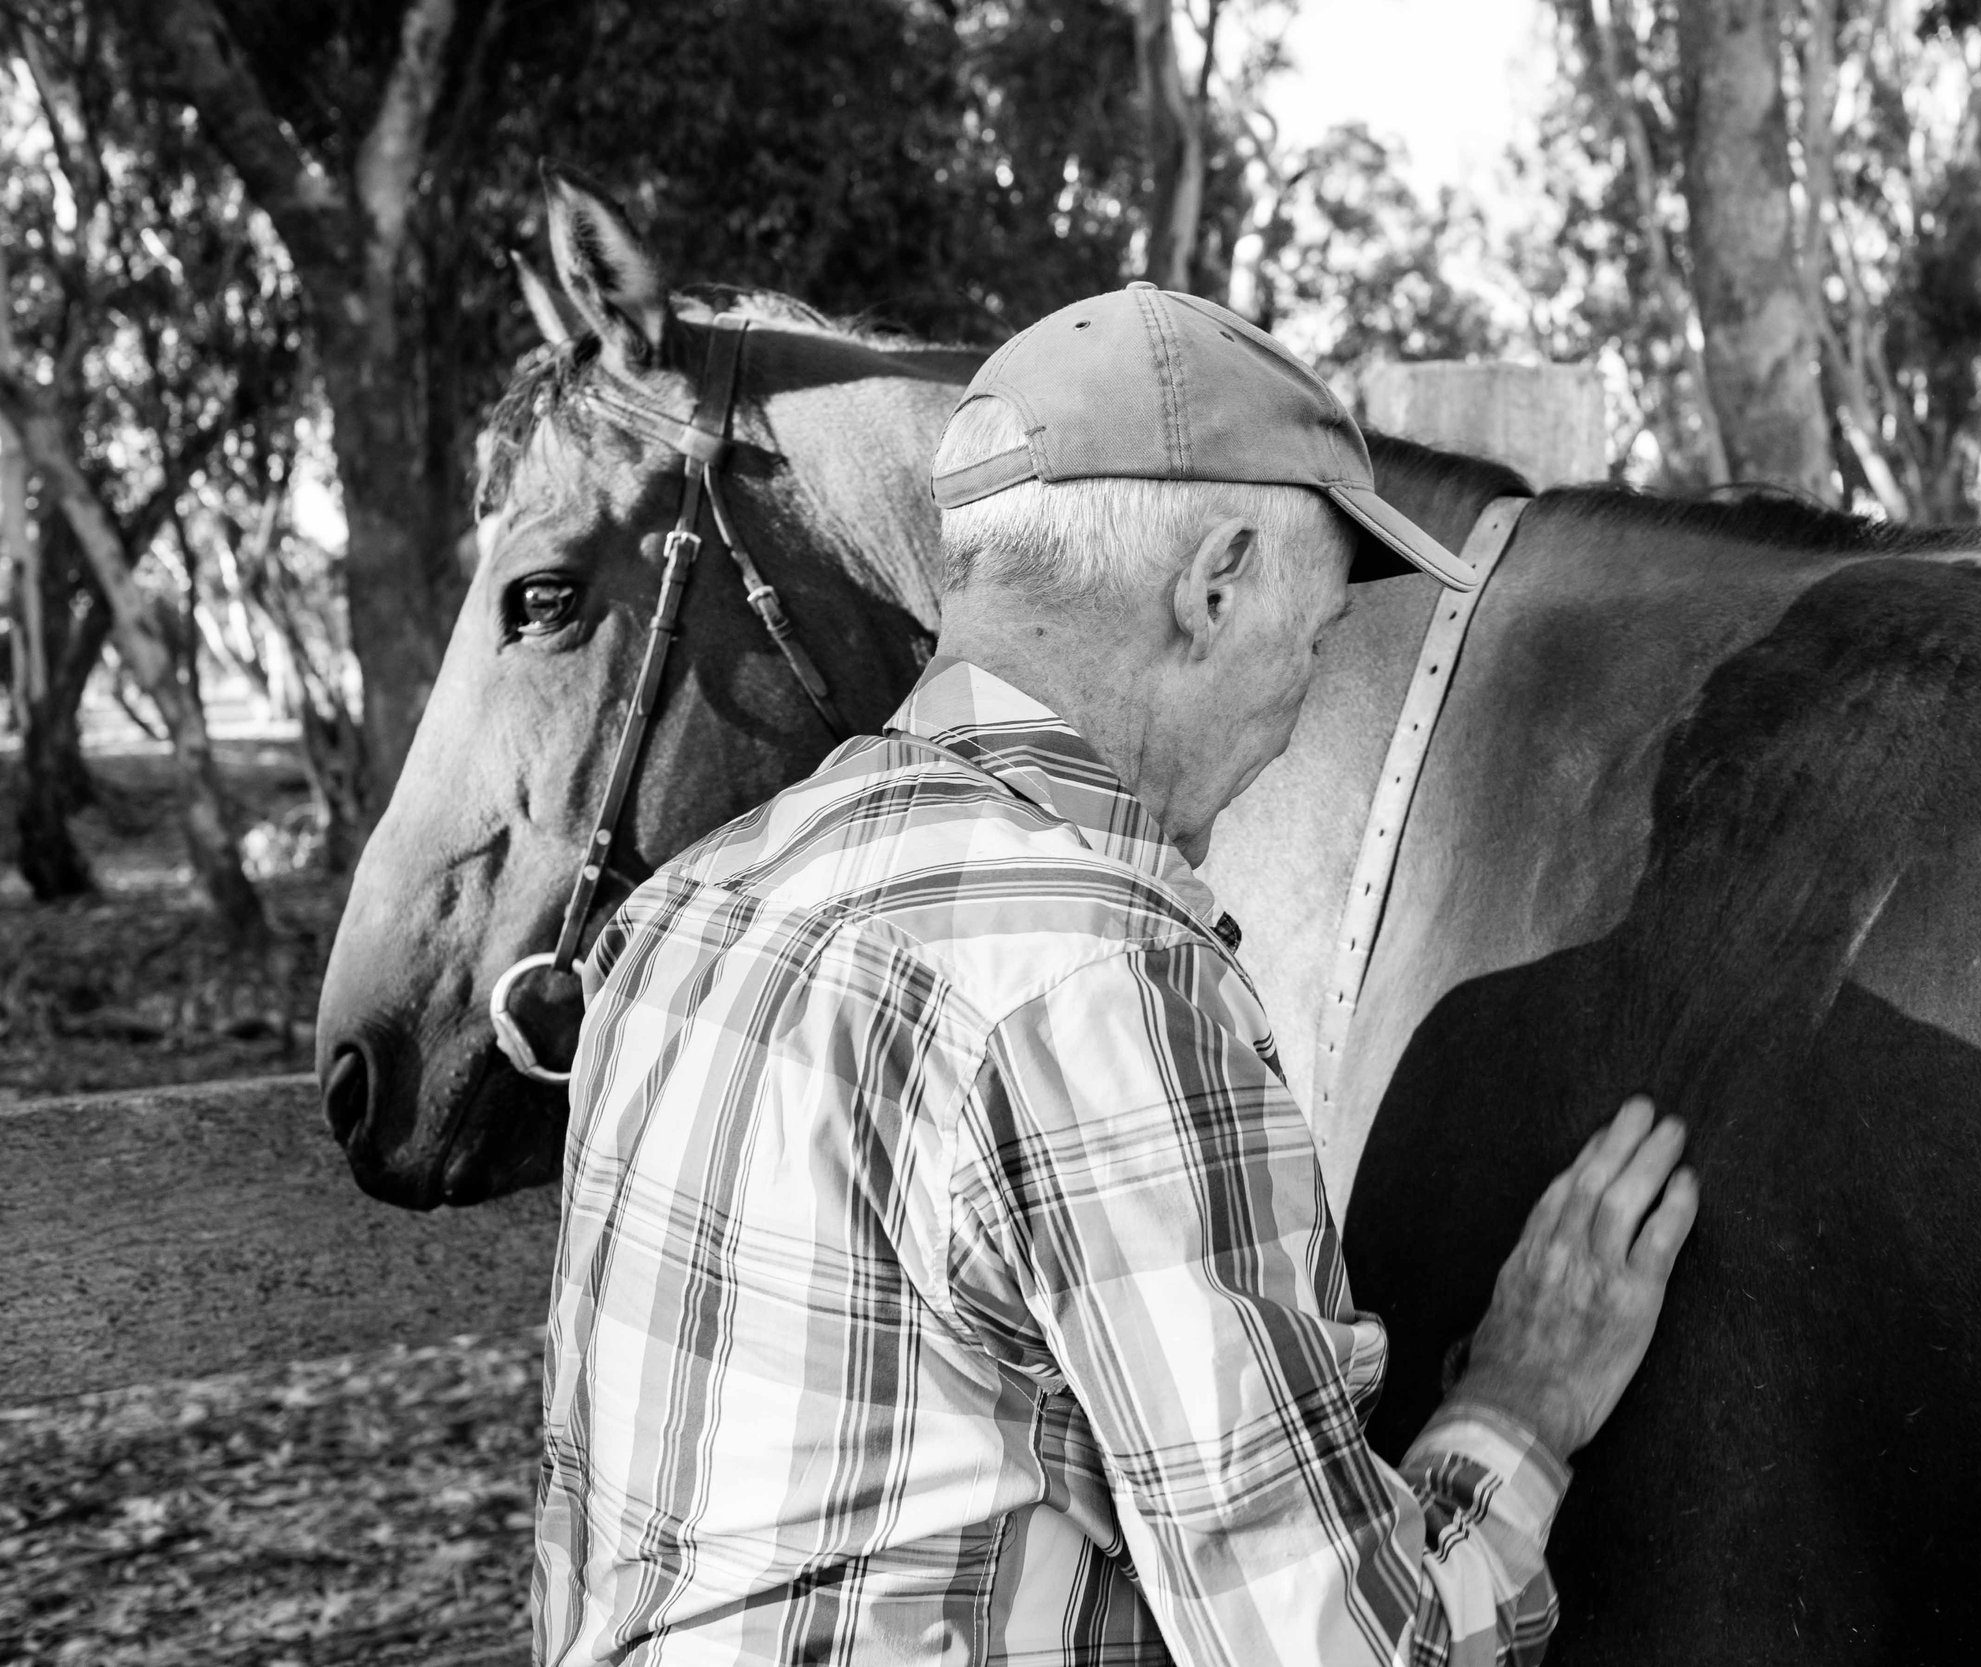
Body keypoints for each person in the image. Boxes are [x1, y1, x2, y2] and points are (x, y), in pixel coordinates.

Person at [533, 282, 1701, 1666]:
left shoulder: (689, 910)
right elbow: (1345, 1652)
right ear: (1213, 587)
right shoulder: (1102, 984)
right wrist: (1521, 1406)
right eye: (1316, 636)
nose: (1299, 701)